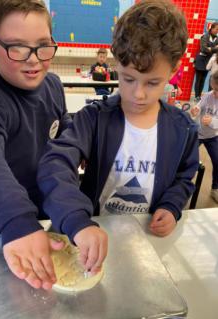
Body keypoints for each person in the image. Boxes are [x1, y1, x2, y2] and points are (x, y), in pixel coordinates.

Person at [37, 0, 199, 271]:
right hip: (92, 238)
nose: (138, 93)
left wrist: (172, 207)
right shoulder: (94, 119)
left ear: (173, 70)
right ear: (117, 65)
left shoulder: (182, 128)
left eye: (152, 83)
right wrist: (77, 221)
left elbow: (185, 176)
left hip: (148, 243)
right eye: (128, 78)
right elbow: (55, 164)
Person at [0, 0, 71, 290]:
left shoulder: (53, 84)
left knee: (53, 280)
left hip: (48, 206)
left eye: (43, 45)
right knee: (14, 286)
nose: (33, 59)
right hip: (4, 218)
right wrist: (16, 223)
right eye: (17, 47)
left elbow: (61, 123)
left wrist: (75, 145)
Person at [191, 71, 218, 203]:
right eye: (214, 89)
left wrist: (212, 122)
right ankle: (180, 183)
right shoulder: (208, 95)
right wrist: (195, 109)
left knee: (217, 161)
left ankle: (215, 188)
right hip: (198, 133)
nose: (215, 93)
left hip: (213, 137)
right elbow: (199, 105)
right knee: (187, 158)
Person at [194, 22, 218, 102]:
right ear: (212, 28)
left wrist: (210, 48)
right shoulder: (205, 36)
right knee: (199, 79)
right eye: (216, 29)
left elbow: (214, 50)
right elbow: (203, 49)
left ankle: (200, 96)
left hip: (208, 61)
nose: (217, 31)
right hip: (201, 60)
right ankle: (197, 96)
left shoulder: (216, 38)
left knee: (204, 79)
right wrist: (214, 48)